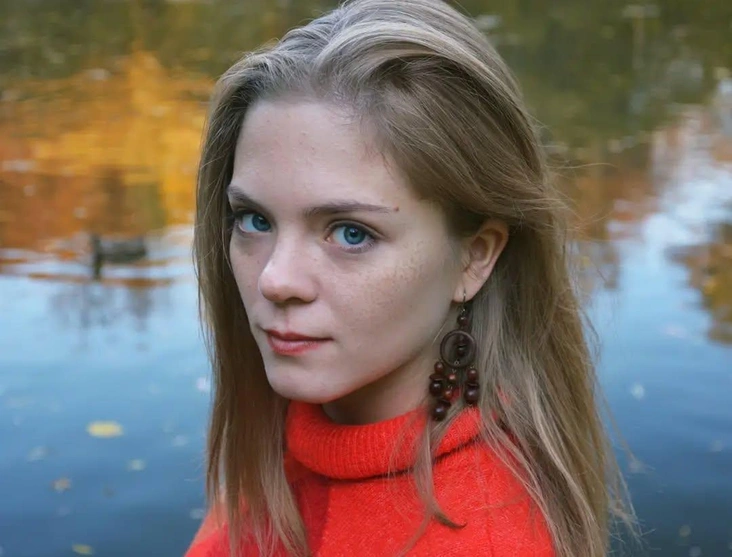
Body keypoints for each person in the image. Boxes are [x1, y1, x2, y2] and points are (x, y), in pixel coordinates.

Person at [186, 0, 639, 555]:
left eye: (350, 233)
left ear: (474, 257)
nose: (276, 280)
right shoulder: (296, 428)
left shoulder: (483, 541)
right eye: (254, 220)